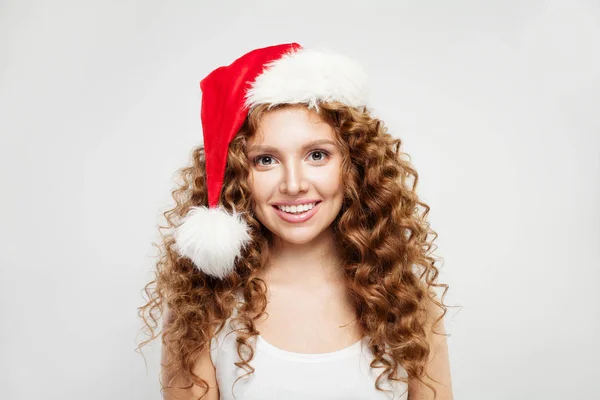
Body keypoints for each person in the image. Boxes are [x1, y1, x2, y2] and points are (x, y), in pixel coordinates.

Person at [138, 43, 454, 400]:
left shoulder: (408, 303)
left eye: (317, 155)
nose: (293, 185)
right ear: (236, 176)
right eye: (265, 160)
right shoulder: (205, 311)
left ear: (355, 165)